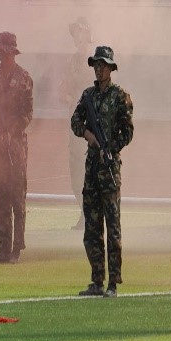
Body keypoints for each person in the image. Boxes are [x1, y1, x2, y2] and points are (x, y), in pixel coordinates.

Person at [71, 46, 134, 298]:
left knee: (113, 227)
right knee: (92, 227)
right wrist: (89, 135)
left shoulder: (120, 97)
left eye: (103, 65)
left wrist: (110, 147)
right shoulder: (88, 96)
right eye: (96, 65)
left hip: (109, 169)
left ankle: (113, 283)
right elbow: (75, 121)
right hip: (92, 168)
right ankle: (97, 280)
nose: (99, 69)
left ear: (110, 68)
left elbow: (127, 132)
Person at [0, 32, 34, 264]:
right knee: (0, 195)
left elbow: (27, 114)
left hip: (16, 144)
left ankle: (16, 248)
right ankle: (4, 247)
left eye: (5, 51)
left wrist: (12, 131)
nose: (2, 56)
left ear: (13, 52)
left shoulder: (24, 78)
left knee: (17, 196)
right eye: (0, 52)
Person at [59, 17, 94, 230]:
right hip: (76, 126)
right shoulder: (71, 62)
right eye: (74, 35)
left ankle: (93, 217)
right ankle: (84, 213)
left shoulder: (97, 61)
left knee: (91, 172)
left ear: (87, 35)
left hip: (92, 127)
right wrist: (64, 95)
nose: (76, 38)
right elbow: (65, 87)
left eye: (79, 33)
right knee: (76, 174)